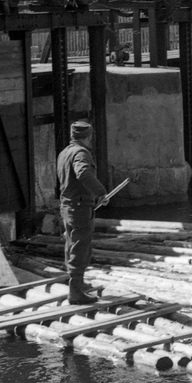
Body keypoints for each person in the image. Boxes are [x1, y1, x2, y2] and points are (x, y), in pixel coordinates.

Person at [56, 120, 107, 305]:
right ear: (88, 137)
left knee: (71, 245)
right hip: (79, 207)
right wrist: (101, 191)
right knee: (80, 247)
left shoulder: (64, 153)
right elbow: (83, 173)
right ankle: (76, 292)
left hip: (67, 206)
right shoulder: (80, 153)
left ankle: (76, 284)